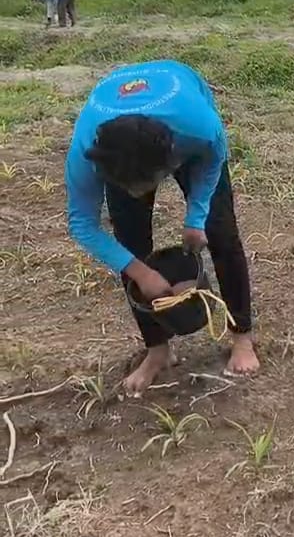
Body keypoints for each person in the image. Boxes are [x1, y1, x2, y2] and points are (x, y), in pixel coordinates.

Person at [65, 59, 259, 395]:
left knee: (221, 232)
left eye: (146, 184)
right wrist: (139, 271)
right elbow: (81, 224)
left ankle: (242, 337)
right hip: (123, 146)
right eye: (129, 188)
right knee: (129, 245)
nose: (139, 194)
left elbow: (214, 158)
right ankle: (157, 350)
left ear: (172, 160)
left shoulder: (197, 127)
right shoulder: (88, 155)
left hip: (179, 111)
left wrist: (196, 217)